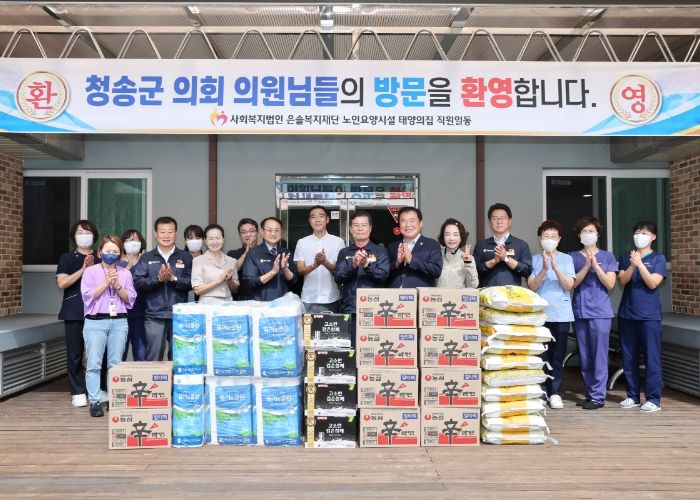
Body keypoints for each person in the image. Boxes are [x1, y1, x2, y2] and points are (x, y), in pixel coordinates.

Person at [80, 235, 136, 417]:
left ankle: (114, 399)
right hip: (95, 322)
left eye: (115, 251)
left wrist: (117, 285)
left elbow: (130, 299)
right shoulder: (90, 272)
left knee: (115, 364)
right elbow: (88, 296)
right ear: (100, 252)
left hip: (119, 322)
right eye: (107, 250)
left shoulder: (125, 274)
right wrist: (106, 283)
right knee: (94, 364)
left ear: (120, 254)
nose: (111, 254)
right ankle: (95, 401)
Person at [618, 221, 667, 413]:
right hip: (627, 314)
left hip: (649, 316)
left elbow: (653, 283)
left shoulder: (658, 258)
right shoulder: (626, 256)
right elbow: (622, 280)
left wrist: (640, 264)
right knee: (628, 357)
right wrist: (632, 264)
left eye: (644, 233)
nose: (640, 236)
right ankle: (632, 396)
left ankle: (653, 399)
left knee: (651, 357)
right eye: (637, 232)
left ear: (653, 237)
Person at [56, 220, 106, 407]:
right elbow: (62, 283)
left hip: (98, 311)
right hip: (74, 311)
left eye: (88, 232)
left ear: (94, 235)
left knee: (99, 353)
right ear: (74, 236)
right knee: (75, 353)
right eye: (80, 232)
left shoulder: (101, 257)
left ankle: (99, 388)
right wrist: (84, 269)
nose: (84, 236)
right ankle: (77, 391)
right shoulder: (67, 258)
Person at [570, 216, 618, 410]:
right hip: (580, 312)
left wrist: (596, 266)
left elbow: (610, 284)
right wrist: (586, 266)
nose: (587, 234)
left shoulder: (607, 257)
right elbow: (572, 284)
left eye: (591, 231)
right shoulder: (572, 257)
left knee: (599, 356)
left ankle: (598, 397)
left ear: (598, 234)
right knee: (585, 356)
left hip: (600, 313)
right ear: (579, 235)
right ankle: (590, 394)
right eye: (584, 231)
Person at [527, 220, 575, 409]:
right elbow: (532, 286)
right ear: (539, 239)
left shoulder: (566, 259)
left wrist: (555, 267)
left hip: (561, 314)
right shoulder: (534, 259)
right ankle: (541, 391)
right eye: (546, 236)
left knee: (557, 355)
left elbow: (569, 285)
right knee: (541, 355)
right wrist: (544, 270)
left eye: (553, 236)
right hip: (540, 315)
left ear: (559, 239)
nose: (549, 239)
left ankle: (555, 392)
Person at [133, 216, 193, 361]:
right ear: (156, 233)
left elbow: (192, 282)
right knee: (154, 358)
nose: (166, 236)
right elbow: (138, 282)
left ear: (175, 233)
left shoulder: (186, 257)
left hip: (179, 315)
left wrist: (174, 279)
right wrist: (158, 280)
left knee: (179, 358)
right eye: (162, 232)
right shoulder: (147, 257)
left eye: (170, 232)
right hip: (154, 315)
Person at [334, 210, 390, 321]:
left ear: (370, 228)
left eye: (364, 225)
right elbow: (338, 277)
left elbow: (383, 276)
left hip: (375, 307)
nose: (360, 229)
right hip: (350, 308)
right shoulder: (344, 252)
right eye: (356, 225)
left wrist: (366, 266)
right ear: (351, 229)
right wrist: (353, 266)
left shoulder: (380, 251)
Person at [294, 205, 345, 313]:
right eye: (313, 217)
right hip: (308, 298)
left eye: (321, 216)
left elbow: (340, 271)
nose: (317, 219)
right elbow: (300, 271)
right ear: (309, 221)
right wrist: (315, 265)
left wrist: (324, 262)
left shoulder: (338, 242)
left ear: (327, 219)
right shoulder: (302, 242)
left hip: (331, 298)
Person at [474, 202, 532, 287]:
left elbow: (527, 271)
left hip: (512, 294)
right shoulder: (481, 245)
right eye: (495, 218)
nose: (499, 221)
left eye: (503, 218)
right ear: (490, 222)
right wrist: (493, 261)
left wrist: (506, 259)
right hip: (487, 294)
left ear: (510, 221)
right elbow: (474, 271)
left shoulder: (521, 245)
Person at [242, 216, 298, 301]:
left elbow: (294, 281)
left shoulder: (286, 253)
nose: (273, 233)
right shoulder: (253, 254)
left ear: (281, 232)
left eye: (277, 230)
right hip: (261, 304)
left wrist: (285, 269)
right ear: (262, 232)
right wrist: (272, 272)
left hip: (283, 303)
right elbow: (250, 283)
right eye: (269, 230)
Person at [387, 207, 442, 288]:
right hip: (394, 293)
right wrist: (397, 263)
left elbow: (436, 271)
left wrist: (411, 260)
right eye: (403, 221)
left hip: (419, 294)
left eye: (412, 221)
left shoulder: (432, 245)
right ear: (399, 224)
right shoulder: (393, 246)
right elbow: (384, 273)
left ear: (420, 223)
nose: (408, 225)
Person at [191, 224, 239, 304]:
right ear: (205, 241)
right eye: (211, 239)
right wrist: (218, 281)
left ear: (223, 239)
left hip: (228, 303)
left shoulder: (231, 261)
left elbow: (235, 290)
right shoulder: (198, 261)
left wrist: (230, 281)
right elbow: (197, 290)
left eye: (218, 238)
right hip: (207, 304)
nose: (215, 242)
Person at [120, 229, 147, 361]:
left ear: (141, 242)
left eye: (135, 239)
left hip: (142, 312)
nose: (132, 242)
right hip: (121, 314)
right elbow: (115, 284)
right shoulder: (117, 263)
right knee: (120, 353)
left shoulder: (146, 261)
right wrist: (129, 265)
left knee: (141, 353)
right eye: (128, 240)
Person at [436, 218, 478, 288]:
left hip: (459, 295)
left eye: (455, 235)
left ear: (461, 237)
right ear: (443, 237)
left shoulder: (468, 258)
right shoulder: (436, 255)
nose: (451, 238)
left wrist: (468, 263)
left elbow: (473, 286)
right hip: (438, 295)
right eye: (447, 234)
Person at [227, 218, 258, 300]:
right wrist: (246, 253)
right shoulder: (232, 254)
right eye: (244, 232)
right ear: (240, 236)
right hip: (239, 299)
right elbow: (232, 270)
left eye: (251, 231)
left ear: (257, 233)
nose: (248, 235)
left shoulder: (264, 252)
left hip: (260, 299)